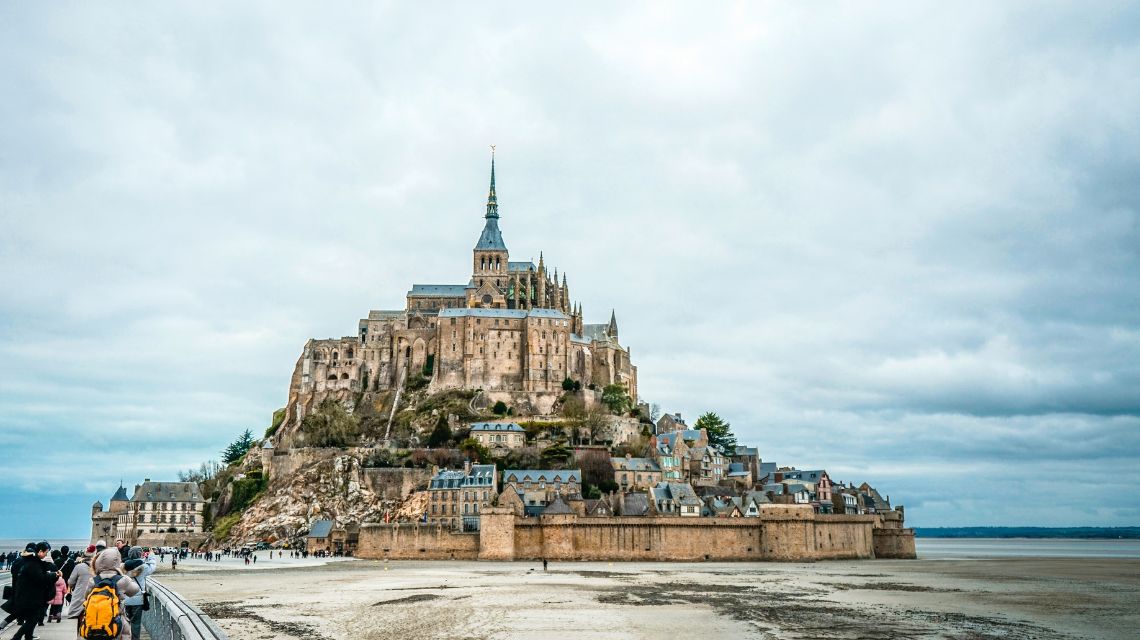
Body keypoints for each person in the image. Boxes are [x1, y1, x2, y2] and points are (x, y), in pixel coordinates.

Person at [84, 547, 140, 640]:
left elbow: (86, 597)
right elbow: (135, 590)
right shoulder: (122, 580)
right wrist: (122, 574)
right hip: (116, 620)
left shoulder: (93, 581)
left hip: (96, 621)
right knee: (124, 634)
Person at [9, 541, 60, 640]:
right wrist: (54, 575)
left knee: (30, 618)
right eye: (46, 552)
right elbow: (40, 578)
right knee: (33, 619)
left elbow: (44, 566)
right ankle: (16, 637)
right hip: (30, 597)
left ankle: (28, 637)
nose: (46, 555)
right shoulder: (33, 563)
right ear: (40, 551)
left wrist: (54, 572)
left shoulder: (32, 561)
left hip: (27, 596)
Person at [0, 542, 36, 634]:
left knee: (18, 611)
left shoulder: (18, 560)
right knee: (29, 614)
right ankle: (27, 634)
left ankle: (18, 624)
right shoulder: (29, 563)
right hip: (26, 591)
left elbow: (12, 572)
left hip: (16, 588)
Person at [121, 547, 156, 640]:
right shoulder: (143, 567)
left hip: (125, 599)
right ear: (140, 554)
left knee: (125, 622)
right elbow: (152, 566)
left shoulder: (123, 567)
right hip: (137, 600)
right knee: (136, 623)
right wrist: (151, 555)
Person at [66, 547, 94, 626]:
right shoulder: (97, 567)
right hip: (93, 594)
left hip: (80, 595)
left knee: (76, 615)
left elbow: (70, 581)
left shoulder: (79, 566)